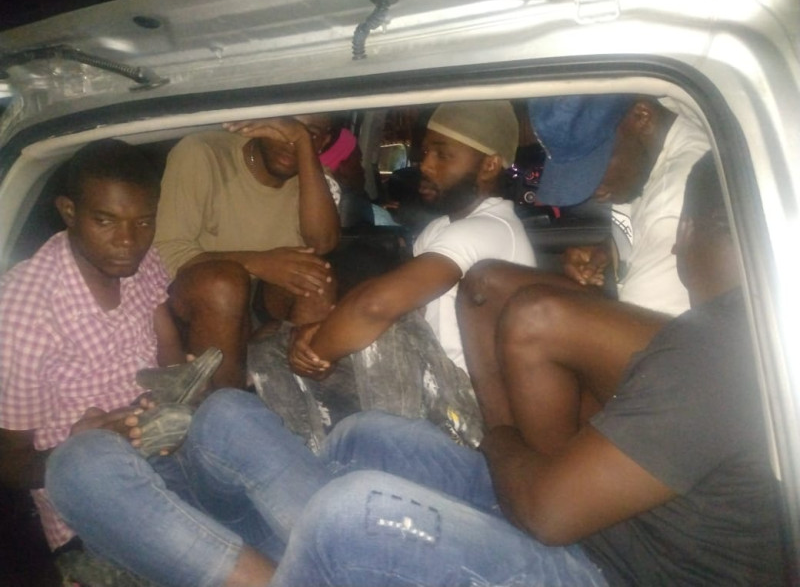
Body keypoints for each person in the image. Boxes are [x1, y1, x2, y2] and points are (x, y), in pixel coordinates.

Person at [259, 151, 781, 586]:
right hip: (599, 527)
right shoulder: (734, 330)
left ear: (687, 230)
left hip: (610, 569)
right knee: (364, 436)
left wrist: (499, 439)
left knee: (349, 518)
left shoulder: (717, 352)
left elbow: (548, 515)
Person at [457, 94, 710, 453]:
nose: (591, 189)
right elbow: (641, 238)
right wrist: (606, 253)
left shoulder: (676, 192)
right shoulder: (649, 153)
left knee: (535, 319)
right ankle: (501, 437)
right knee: (484, 283)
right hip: (666, 335)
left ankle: (552, 467)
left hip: (689, 370)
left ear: (641, 115)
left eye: (596, 166)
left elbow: (649, 363)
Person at [277, 100, 537, 447]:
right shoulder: (442, 227)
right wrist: (325, 330)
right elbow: (406, 309)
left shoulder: (487, 229)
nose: (425, 165)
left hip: (468, 413)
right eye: (426, 152)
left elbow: (376, 304)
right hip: (427, 381)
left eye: (443, 155)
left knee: (278, 386)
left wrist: (317, 353)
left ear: (488, 165)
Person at [0, 140, 185, 572]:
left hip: (167, 449)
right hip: (92, 490)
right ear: (69, 212)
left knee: (232, 412)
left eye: (144, 221)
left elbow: (169, 352)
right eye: (105, 221)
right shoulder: (24, 310)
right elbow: (10, 463)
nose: (128, 241)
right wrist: (86, 445)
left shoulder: (141, 261)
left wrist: (178, 401)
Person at [153, 114, 341, 388]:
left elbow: (323, 243)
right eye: (284, 129)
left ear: (323, 141)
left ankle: (300, 398)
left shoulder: (313, 176)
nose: (290, 143)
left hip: (258, 302)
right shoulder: (202, 153)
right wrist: (256, 262)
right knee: (223, 285)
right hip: (196, 300)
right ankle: (224, 403)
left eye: (309, 134)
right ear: (261, 123)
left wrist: (303, 142)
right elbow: (166, 253)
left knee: (317, 279)